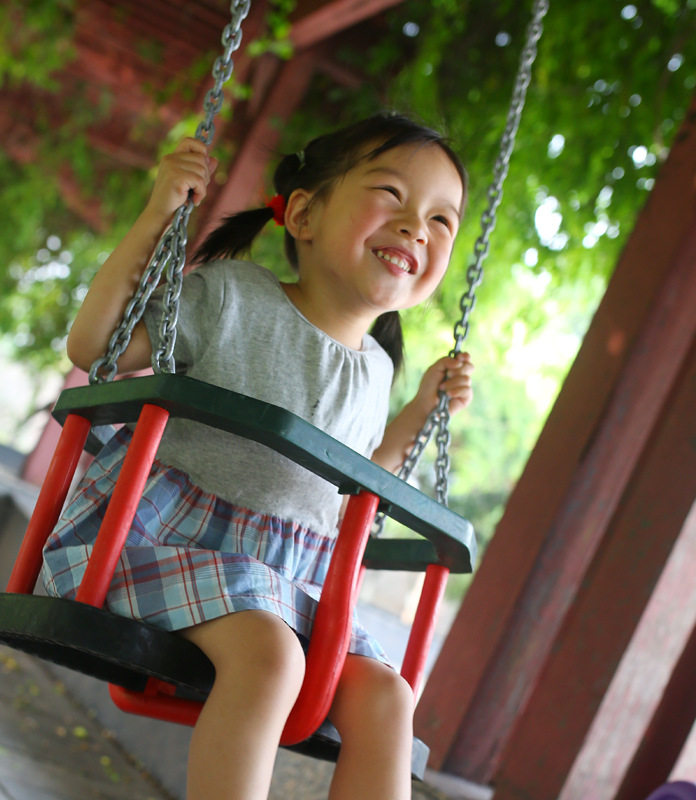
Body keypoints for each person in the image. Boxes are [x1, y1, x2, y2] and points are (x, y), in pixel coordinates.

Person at [42, 112, 474, 800]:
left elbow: (354, 492)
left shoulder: (378, 370)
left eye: (441, 219)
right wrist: (159, 213)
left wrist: (422, 410)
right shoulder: (232, 296)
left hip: (289, 581)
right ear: (303, 214)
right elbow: (96, 346)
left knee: (388, 699)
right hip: (161, 544)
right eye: (391, 193)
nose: (415, 226)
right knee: (271, 657)